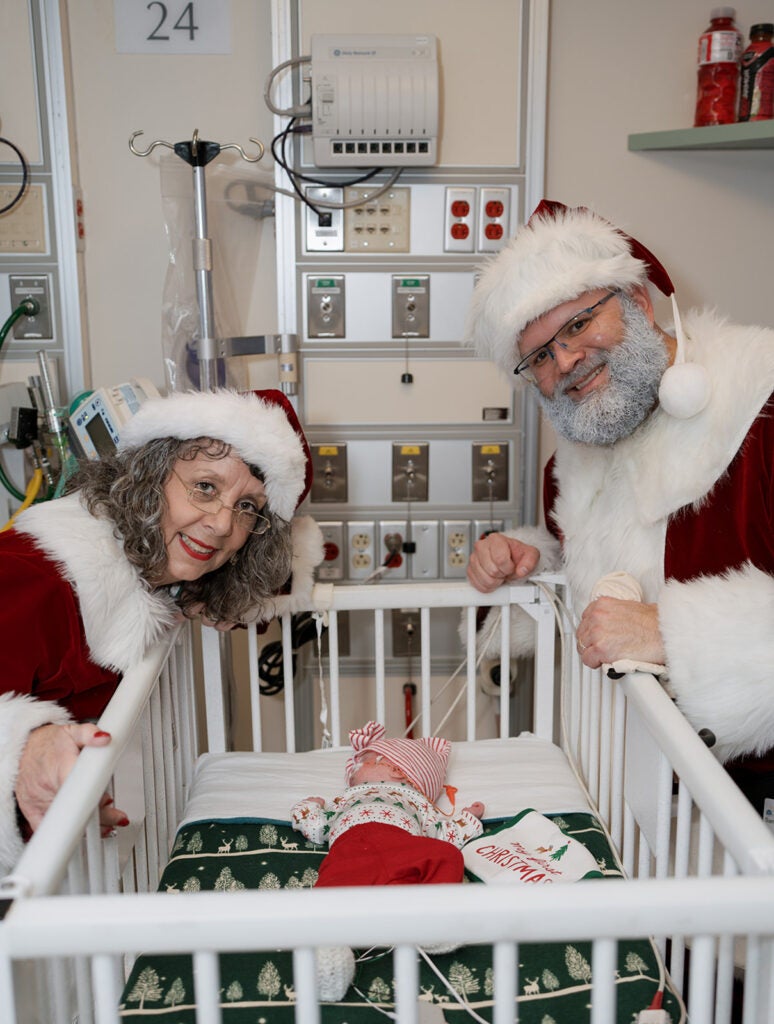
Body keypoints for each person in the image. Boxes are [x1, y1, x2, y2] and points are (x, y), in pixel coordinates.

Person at [465, 199, 774, 814]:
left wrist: (672, 633)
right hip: (647, 798)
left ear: (637, 301)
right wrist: (534, 561)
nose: (566, 363)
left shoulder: (762, 408)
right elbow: (603, 583)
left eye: (577, 326)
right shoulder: (577, 460)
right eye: (540, 358)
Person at [0, 388, 323, 874]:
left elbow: (270, 574)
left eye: (249, 508)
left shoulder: (158, 572)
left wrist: (218, 588)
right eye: (205, 487)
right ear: (150, 478)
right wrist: (25, 747)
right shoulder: (37, 575)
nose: (220, 526)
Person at [290, 720, 485, 1000]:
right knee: (328, 894)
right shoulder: (344, 800)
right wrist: (311, 806)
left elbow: (445, 834)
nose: (351, 770)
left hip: (402, 844)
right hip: (351, 849)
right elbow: (317, 827)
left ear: (395, 770)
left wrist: (467, 819)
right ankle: (327, 954)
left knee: (447, 855)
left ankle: (433, 919)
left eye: (363, 762)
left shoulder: (419, 804)